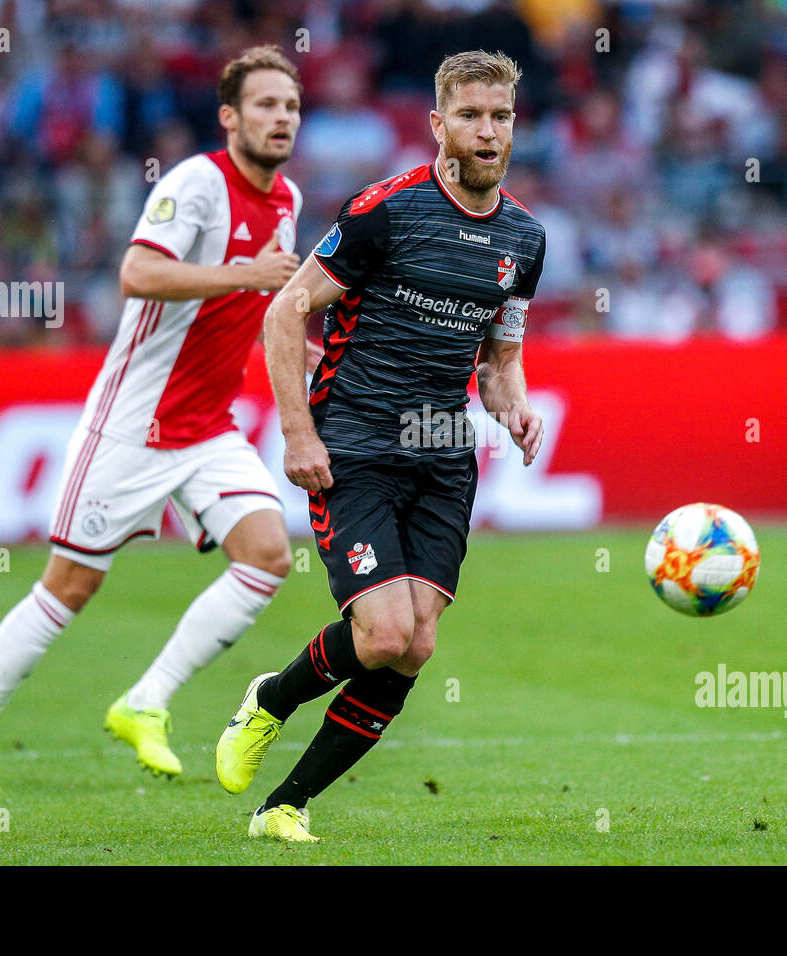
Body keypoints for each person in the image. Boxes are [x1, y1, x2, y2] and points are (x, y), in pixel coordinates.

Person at [0, 46, 314, 791]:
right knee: (69, 587)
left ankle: (146, 701)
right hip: (131, 424)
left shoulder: (288, 202)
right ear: (230, 116)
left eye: (292, 107)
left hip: (209, 426)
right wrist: (245, 274)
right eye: (266, 105)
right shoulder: (197, 184)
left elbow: (267, 305)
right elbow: (137, 273)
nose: (281, 119)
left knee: (268, 555)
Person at [214, 50, 547, 842]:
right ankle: (272, 698)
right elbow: (285, 311)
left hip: (442, 455)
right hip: (355, 442)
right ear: (438, 125)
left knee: (415, 646)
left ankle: (282, 808)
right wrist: (297, 433)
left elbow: (499, 361)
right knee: (384, 634)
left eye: (499, 116)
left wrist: (516, 407)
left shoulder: (525, 240)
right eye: (469, 115)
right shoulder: (385, 211)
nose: (486, 131)